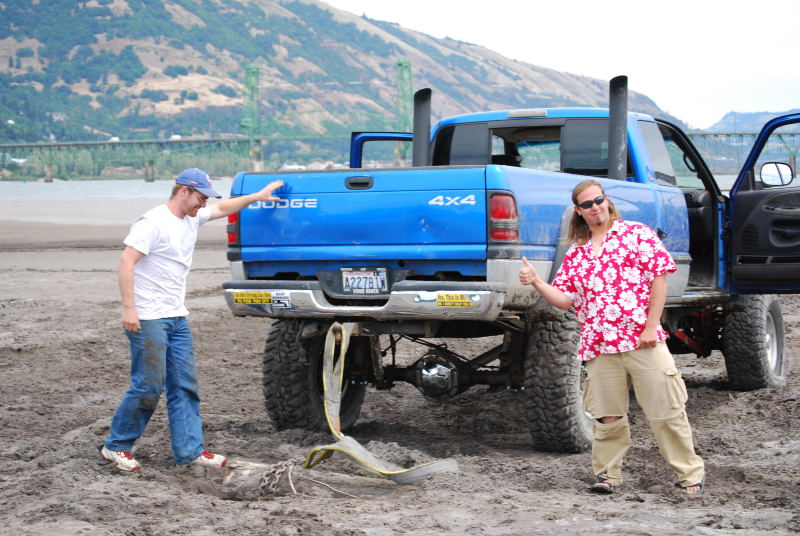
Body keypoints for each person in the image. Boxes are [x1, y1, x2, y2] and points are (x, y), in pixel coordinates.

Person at [518, 179, 705, 495]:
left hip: (642, 340)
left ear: (607, 201)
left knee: (666, 411)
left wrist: (650, 327)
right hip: (599, 345)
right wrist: (536, 281)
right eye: (587, 204)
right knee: (607, 417)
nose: (595, 208)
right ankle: (607, 476)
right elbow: (564, 300)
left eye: (598, 200)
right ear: (579, 211)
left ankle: (689, 476)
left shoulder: (636, 234)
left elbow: (658, 280)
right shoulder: (576, 253)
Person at [100, 168, 284, 472]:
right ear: (183, 191)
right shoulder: (152, 222)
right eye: (200, 197)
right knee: (148, 385)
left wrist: (257, 197)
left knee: (184, 385)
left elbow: (223, 208)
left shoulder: (192, 217)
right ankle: (116, 446)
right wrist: (129, 309)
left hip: (176, 317)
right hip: (149, 318)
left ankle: (189, 451)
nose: (203, 203)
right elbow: (126, 262)